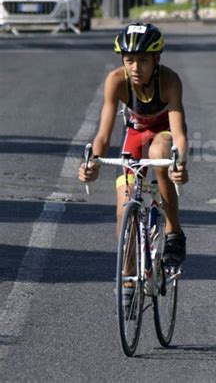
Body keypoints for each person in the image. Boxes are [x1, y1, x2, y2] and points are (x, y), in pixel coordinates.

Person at [78, 22, 188, 265]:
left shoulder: (170, 81)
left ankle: (173, 232)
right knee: (122, 209)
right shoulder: (116, 80)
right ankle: (128, 283)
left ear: (156, 58)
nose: (135, 67)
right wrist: (92, 163)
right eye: (129, 60)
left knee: (160, 152)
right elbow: (103, 136)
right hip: (135, 135)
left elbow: (179, 133)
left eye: (143, 60)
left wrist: (179, 162)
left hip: (163, 133)